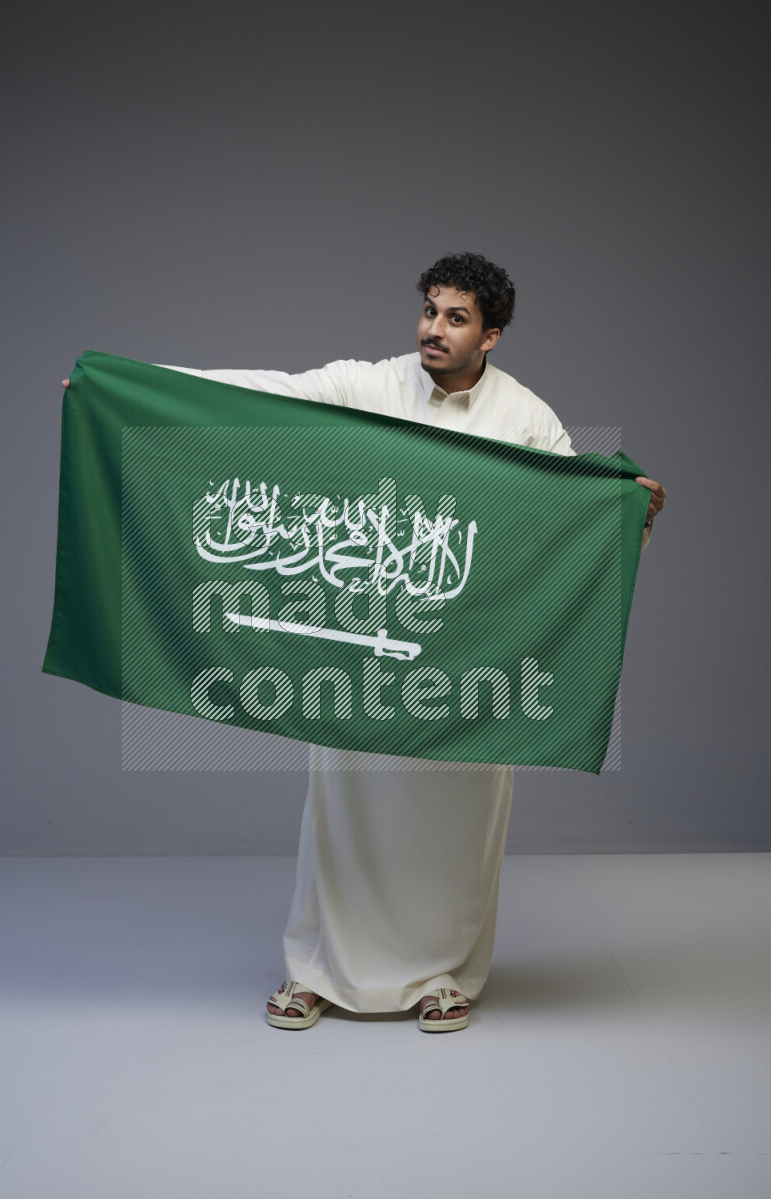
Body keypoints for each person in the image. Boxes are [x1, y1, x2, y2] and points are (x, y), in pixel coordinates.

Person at [62, 252, 666, 1031]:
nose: (434, 329)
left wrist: (627, 514)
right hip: (361, 654)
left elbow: (567, 525)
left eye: (456, 318)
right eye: (429, 310)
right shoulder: (369, 386)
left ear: (491, 336)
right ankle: (317, 971)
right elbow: (260, 392)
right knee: (344, 813)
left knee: (456, 823)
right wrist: (123, 387)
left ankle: (442, 973)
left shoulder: (526, 419)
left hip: (462, 668)